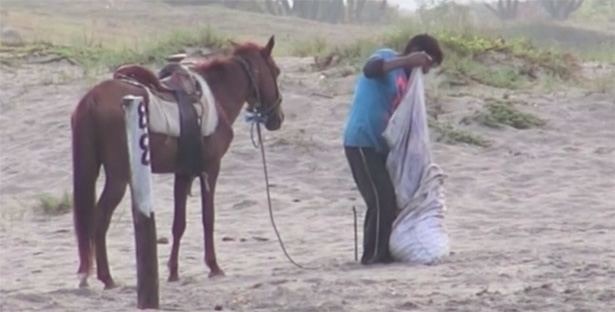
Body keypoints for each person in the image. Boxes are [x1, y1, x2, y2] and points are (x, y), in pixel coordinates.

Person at [343, 34, 444, 264]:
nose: (424, 72)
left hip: (381, 147)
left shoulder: (407, 82)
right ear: (417, 51)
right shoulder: (387, 57)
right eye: (426, 66)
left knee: (388, 199)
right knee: (380, 198)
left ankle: (381, 252)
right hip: (361, 140)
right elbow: (369, 69)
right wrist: (407, 61)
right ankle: (373, 257)